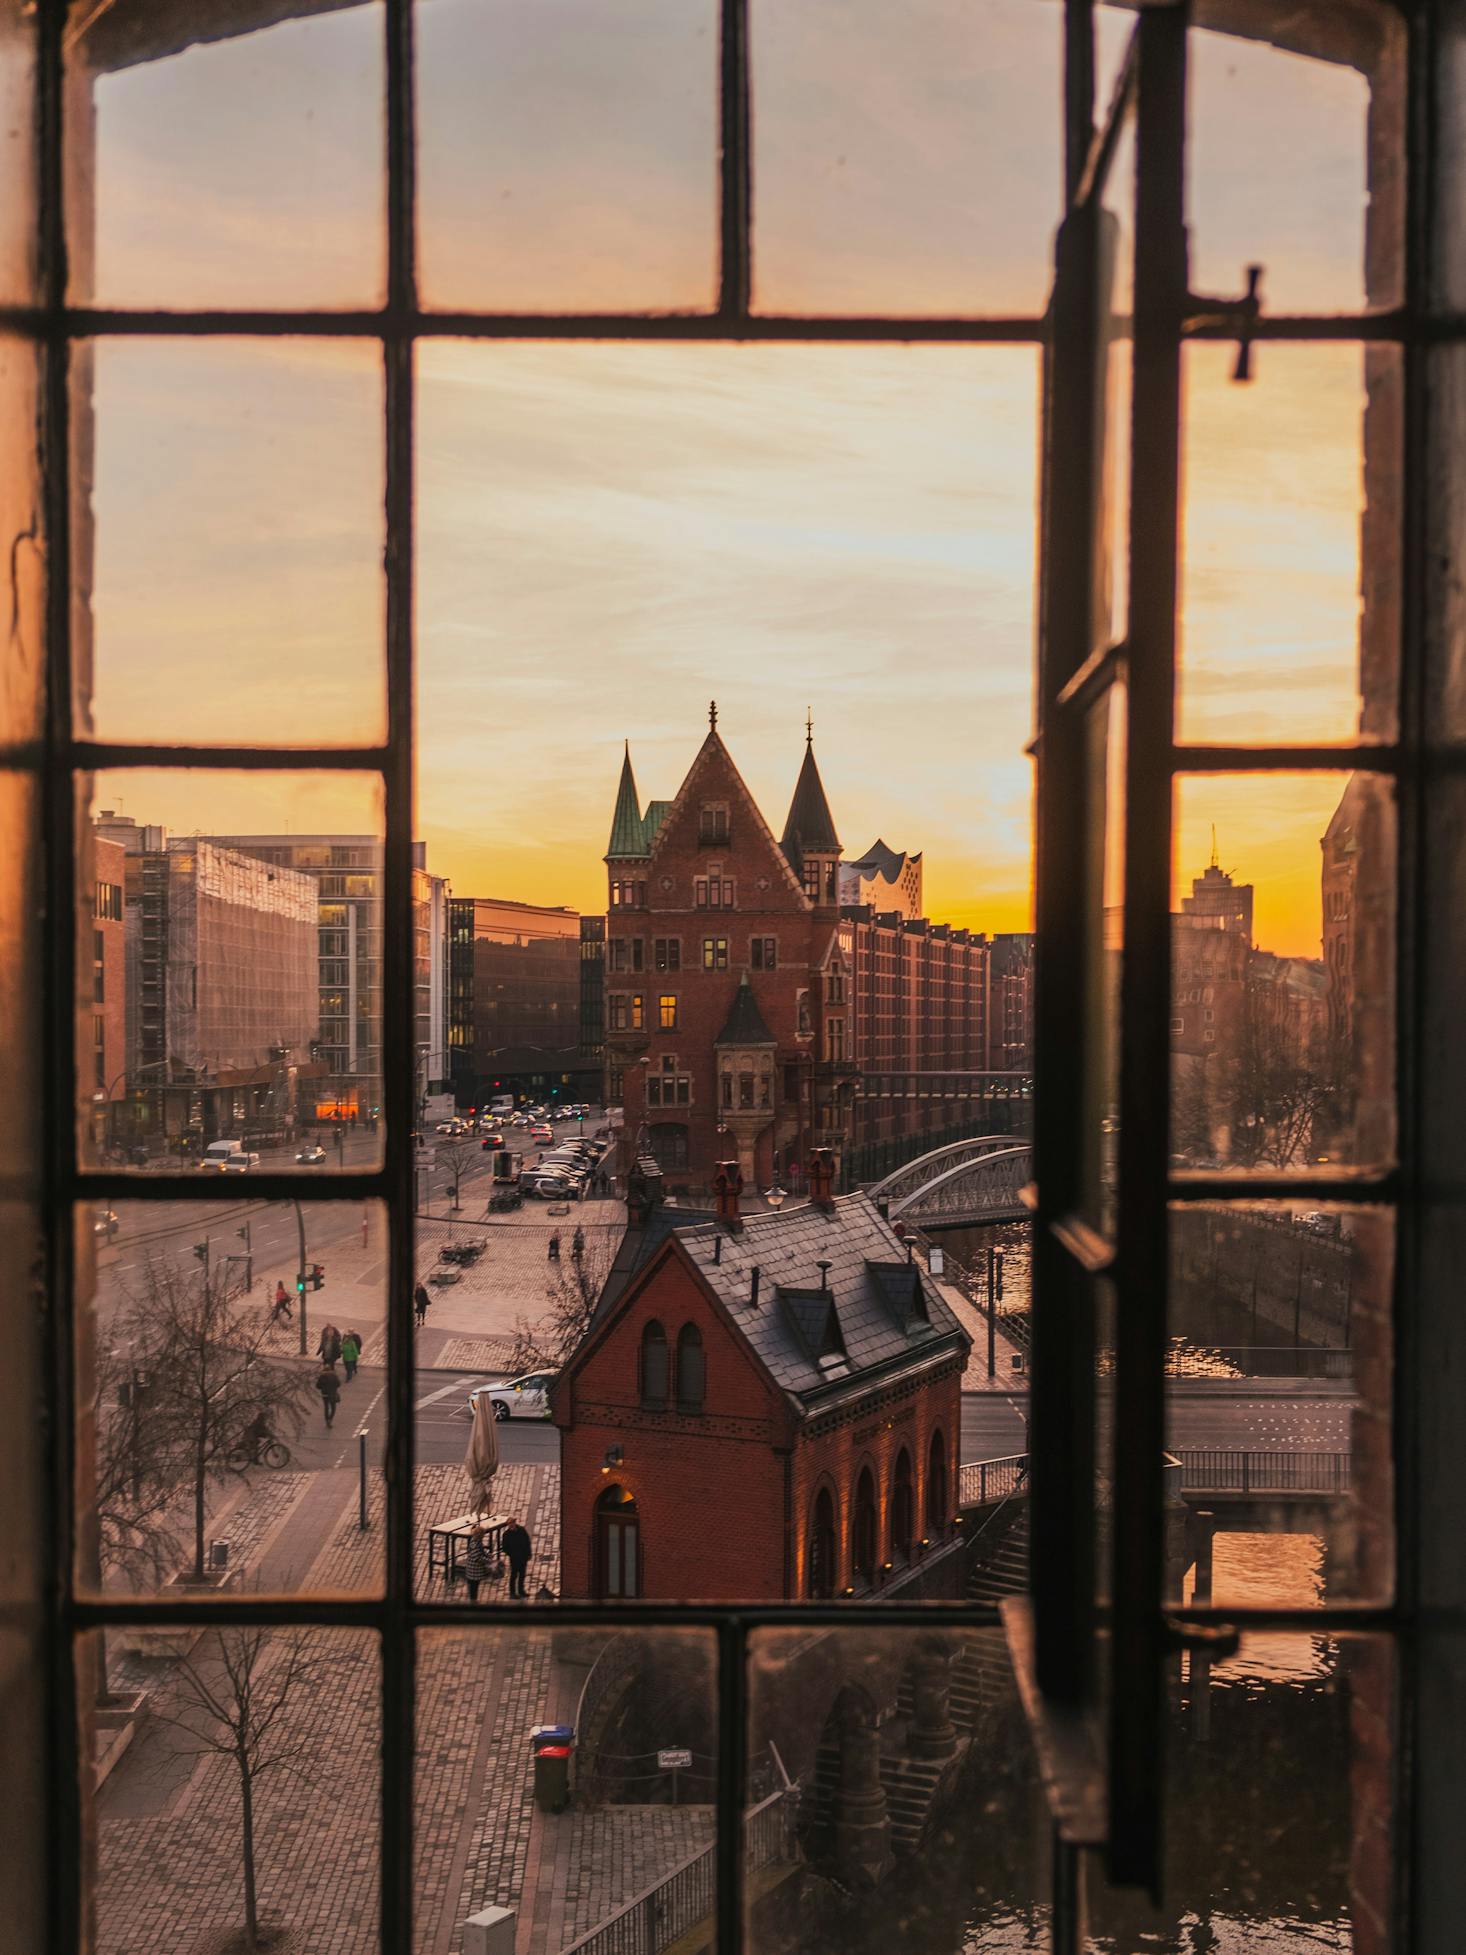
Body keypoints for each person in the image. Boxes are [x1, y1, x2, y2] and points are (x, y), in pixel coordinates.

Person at [502, 1516, 532, 1600]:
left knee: (522, 1574)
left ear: (515, 1523)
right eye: (509, 1524)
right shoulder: (506, 1535)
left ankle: (521, 1591)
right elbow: (505, 1548)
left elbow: (527, 1542)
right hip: (514, 1558)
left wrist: (529, 1554)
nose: (511, 1525)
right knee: (514, 1575)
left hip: (523, 1557)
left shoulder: (521, 1530)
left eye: (512, 1523)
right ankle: (512, 1593)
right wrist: (511, 1554)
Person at [462, 1521, 491, 1603]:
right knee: (473, 1586)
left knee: (475, 1585)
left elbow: (482, 1550)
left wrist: (488, 1554)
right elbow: (478, 1558)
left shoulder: (476, 1541)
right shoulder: (474, 1544)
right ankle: (473, 1601)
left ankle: (473, 1600)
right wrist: (489, 1561)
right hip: (474, 1569)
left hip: (474, 1569)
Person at [316, 1361, 341, 1429]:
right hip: (332, 1393)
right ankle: (330, 1419)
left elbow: (318, 1386)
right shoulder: (334, 1375)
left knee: (326, 1407)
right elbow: (338, 1384)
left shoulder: (322, 1376)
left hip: (325, 1394)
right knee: (333, 1407)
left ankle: (327, 1420)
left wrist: (323, 1387)